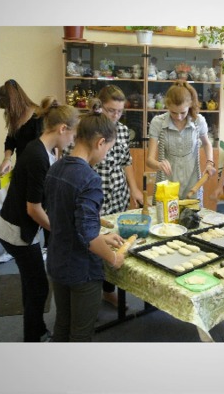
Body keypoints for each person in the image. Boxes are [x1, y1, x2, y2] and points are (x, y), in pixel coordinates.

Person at [0, 101, 80, 342]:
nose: (72, 140)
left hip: (21, 226)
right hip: (17, 231)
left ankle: (35, 331)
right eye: (72, 134)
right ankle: (34, 337)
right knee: (38, 287)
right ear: (62, 128)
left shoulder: (43, 150)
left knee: (32, 284)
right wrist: (61, 231)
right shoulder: (37, 156)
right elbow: (33, 209)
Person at [45, 113, 126, 342]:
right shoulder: (90, 179)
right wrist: (113, 258)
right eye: (108, 149)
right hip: (81, 269)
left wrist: (103, 238)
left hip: (57, 260)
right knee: (81, 333)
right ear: (100, 143)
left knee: (62, 324)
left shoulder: (56, 167)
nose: (106, 154)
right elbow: (89, 237)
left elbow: (66, 218)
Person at [91, 85, 142, 307]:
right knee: (94, 241)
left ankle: (108, 291)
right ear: (100, 106)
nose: (115, 115)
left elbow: (126, 162)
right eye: (111, 110)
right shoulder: (88, 128)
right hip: (95, 194)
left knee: (114, 241)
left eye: (120, 111)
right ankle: (91, 293)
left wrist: (134, 189)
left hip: (118, 193)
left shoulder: (122, 130)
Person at [146, 81, 217, 202]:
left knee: (192, 213)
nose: (178, 117)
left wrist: (210, 163)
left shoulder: (198, 121)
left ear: (190, 105)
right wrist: (158, 165)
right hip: (167, 186)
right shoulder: (158, 122)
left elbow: (206, 143)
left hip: (192, 184)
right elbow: (149, 160)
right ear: (167, 106)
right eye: (173, 112)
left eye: (183, 112)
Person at [0, 79, 44, 176]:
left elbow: (42, 149)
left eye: (8, 107)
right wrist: (7, 159)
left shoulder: (39, 116)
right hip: (22, 168)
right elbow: (10, 140)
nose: (8, 111)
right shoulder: (16, 117)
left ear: (14, 102)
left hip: (37, 170)